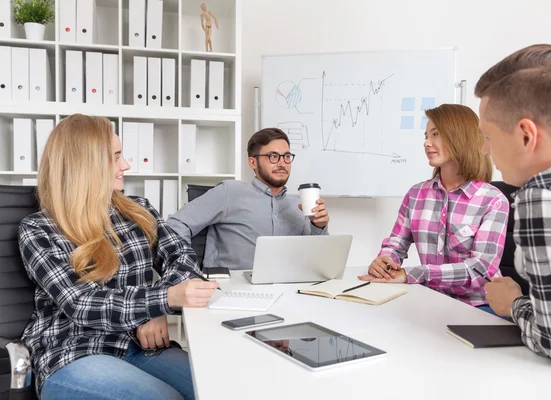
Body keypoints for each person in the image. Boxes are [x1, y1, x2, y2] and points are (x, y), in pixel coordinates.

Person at [18, 114, 219, 399]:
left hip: (140, 346)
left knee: (217, 387)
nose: (126, 165)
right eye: (116, 156)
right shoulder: (38, 229)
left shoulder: (138, 210)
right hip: (74, 352)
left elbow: (181, 257)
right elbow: (81, 302)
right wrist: (164, 299)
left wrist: (156, 311)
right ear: (85, 165)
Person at [477, 44, 551, 369]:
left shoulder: (545, 196)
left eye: (488, 135)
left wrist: (513, 304)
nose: (486, 150)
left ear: (526, 136)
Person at [359, 104, 510, 312]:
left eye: (436, 134)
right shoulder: (416, 194)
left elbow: (481, 270)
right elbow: (396, 245)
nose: (426, 143)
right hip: (431, 303)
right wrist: (385, 262)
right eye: (426, 136)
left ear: (460, 137)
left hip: (480, 307)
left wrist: (415, 274)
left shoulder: (493, 200)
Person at [167, 127, 330, 271]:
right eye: (273, 156)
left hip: (284, 288)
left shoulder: (298, 206)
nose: (282, 163)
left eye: (286, 156)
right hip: (231, 288)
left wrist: (318, 225)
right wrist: (187, 270)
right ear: (253, 162)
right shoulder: (229, 192)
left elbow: (317, 259)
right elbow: (177, 224)